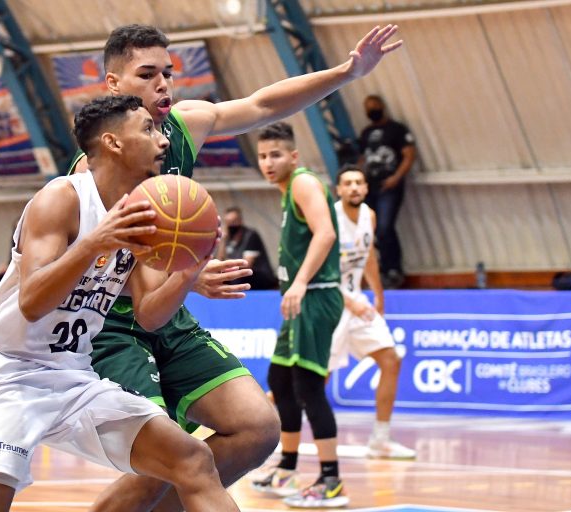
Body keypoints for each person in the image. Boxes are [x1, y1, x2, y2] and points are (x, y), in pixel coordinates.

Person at [70, 24, 403, 512]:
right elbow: (120, 285)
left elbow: (263, 105)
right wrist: (189, 276)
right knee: (173, 455)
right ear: (113, 84)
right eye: (147, 74)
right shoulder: (92, 174)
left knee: (258, 427)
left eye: (168, 73)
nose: (162, 83)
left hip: (168, 315)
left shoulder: (184, 125)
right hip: (112, 326)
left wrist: (346, 72)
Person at [0, 95, 239, 512]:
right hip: (8, 372)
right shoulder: (61, 198)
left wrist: (186, 275)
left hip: (74, 376)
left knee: (193, 460)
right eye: (148, 129)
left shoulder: (145, 214)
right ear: (113, 142)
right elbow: (32, 302)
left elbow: (149, 314)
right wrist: (95, 242)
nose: (163, 140)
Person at [251, 122, 347, 508]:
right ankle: (287, 468)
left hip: (317, 296)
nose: (268, 162)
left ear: (293, 156)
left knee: (308, 387)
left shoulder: (303, 183)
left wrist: (301, 282)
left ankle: (331, 480)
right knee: (280, 379)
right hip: (302, 298)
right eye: (262, 156)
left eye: (276, 155)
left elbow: (326, 234)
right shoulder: (287, 191)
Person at [329, 165, 416, 459]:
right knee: (314, 379)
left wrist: (378, 294)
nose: (354, 187)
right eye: (348, 183)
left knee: (391, 360)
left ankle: (380, 439)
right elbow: (319, 270)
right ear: (339, 190)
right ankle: (266, 421)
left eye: (359, 182)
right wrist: (347, 300)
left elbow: (368, 258)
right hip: (330, 302)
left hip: (357, 302)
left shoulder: (370, 215)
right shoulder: (329, 218)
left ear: (366, 188)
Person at [357, 94, 416, 289]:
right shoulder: (366, 133)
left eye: (374, 106)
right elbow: (362, 159)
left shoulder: (396, 129)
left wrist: (396, 177)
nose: (371, 110)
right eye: (368, 108)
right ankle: (382, 269)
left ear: (382, 106)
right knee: (372, 229)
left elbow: (409, 155)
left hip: (389, 187)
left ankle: (394, 269)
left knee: (385, 227)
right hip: (370, 187)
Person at [218, 206, 277, 290]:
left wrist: (227, 264)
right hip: (238, 274)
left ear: (240, 221)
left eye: (234, 221)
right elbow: (220, 260)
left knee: (237, 275)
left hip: (259, 276)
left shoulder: (250, 235)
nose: (231, 225)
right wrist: (223, 240)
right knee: (219, 276)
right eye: (228, 222)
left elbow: (247, 264)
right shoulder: (227, 238)